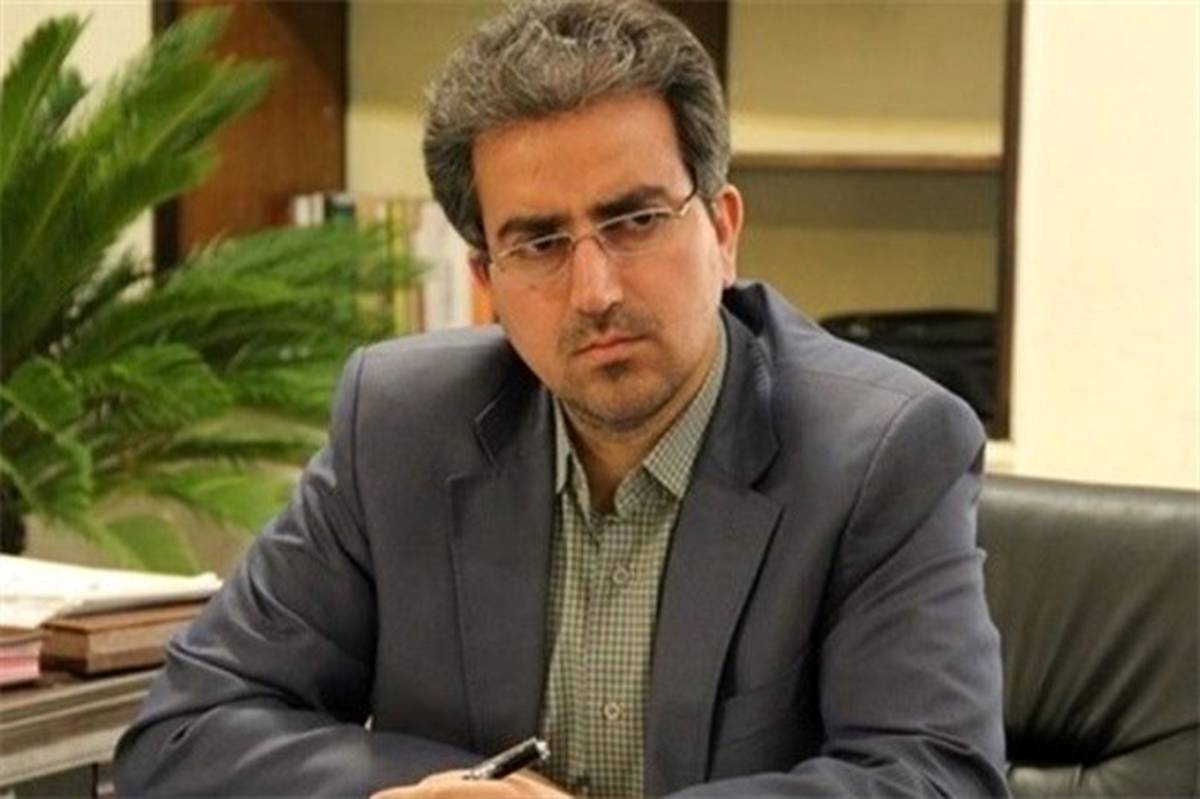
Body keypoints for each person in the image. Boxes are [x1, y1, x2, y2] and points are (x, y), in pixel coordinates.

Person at [115, 1, 1008, 796]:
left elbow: (936, 775)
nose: (595, 291)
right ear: (486, 282)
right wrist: (438, 795)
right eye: (539, 243)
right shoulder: (398, 426)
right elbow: (185, 732)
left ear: (723, 230)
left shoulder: (882, 451)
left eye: (634, 221)